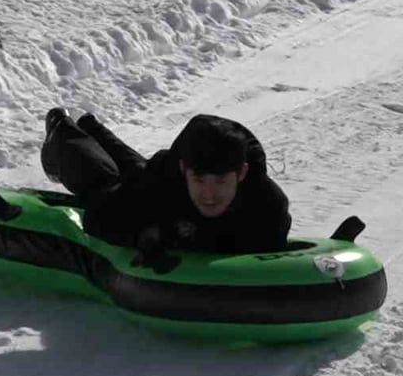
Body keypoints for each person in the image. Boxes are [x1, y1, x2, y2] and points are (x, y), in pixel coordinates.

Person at [40, 109, 292, 268]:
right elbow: (98, 219)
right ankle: (61, 130)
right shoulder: (164, 181)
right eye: (199, 180)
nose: (209, 195)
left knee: (139, 172)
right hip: (153, 181)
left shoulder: (268, 206)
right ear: (184, 171)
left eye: (220, 181)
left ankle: (92, 127)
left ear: (241, 174)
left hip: (159, 177)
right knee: (104, 184)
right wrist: (144, 234)